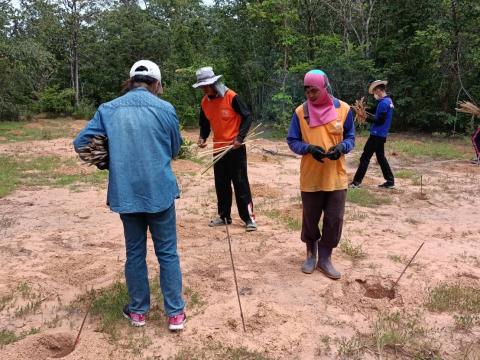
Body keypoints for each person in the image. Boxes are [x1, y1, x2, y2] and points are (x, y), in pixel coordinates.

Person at [73, 60, 186, 330]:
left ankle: (138, 312)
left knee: (134, 253)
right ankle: (175, 315)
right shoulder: (166, 108)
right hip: (159, 191)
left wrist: (106, 158)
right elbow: (174, 149)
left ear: (131, 81)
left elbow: (81, 143)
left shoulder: (108, 109)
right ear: (156, 84)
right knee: (167, 253)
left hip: (127, 194)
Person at [287, 69, 355, 279]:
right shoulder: (300, 112)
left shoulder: (343, 109)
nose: (310, 94)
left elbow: (351, 137)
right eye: (307, 90)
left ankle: (325, 259)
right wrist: (308, 149)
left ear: (324, 88)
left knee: (334, 219)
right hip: (311, 176)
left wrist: (342, 147)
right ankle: (310, 255)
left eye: (314, 90)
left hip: (336, 176)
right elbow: (292, 140)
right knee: (310, 218)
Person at [192, 66, 257, 231]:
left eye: (205, 86)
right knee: (221, 184)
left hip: (235, 148)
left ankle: (249, 218)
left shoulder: (231, 97)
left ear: (214, 83)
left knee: (240, 183)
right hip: (218, 148)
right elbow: (205, 123)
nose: (203, 90)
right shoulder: (205, 102)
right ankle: (224, 216)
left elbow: (247, 116)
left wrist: (240, 138)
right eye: (201, 87)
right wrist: (202, 137)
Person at [350, 80, 395, 189]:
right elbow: (374, 111)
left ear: (379, 90)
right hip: (380, 135)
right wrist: (361, 109)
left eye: (374, 91)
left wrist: (365, 116)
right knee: (381, 158)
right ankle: (390, 181)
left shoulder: (384, 103)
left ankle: (356, 182)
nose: (374, 94)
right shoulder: (386, 101)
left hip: (377, 135)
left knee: (365, 157)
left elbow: (379, 120)